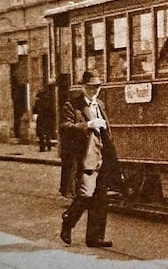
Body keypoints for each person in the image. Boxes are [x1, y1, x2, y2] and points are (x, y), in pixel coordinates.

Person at [59, 70, 122, 248]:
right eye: (91, 87)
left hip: (102, 158)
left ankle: (94, 238)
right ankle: (68, 221)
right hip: (85, 159)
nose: (94, 90)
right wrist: (87, 125)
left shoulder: (100, 105)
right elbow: (64, 128)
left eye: (97, 87)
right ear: (83, 87)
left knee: (100, 199)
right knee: (85, 195)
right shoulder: (72, 106)